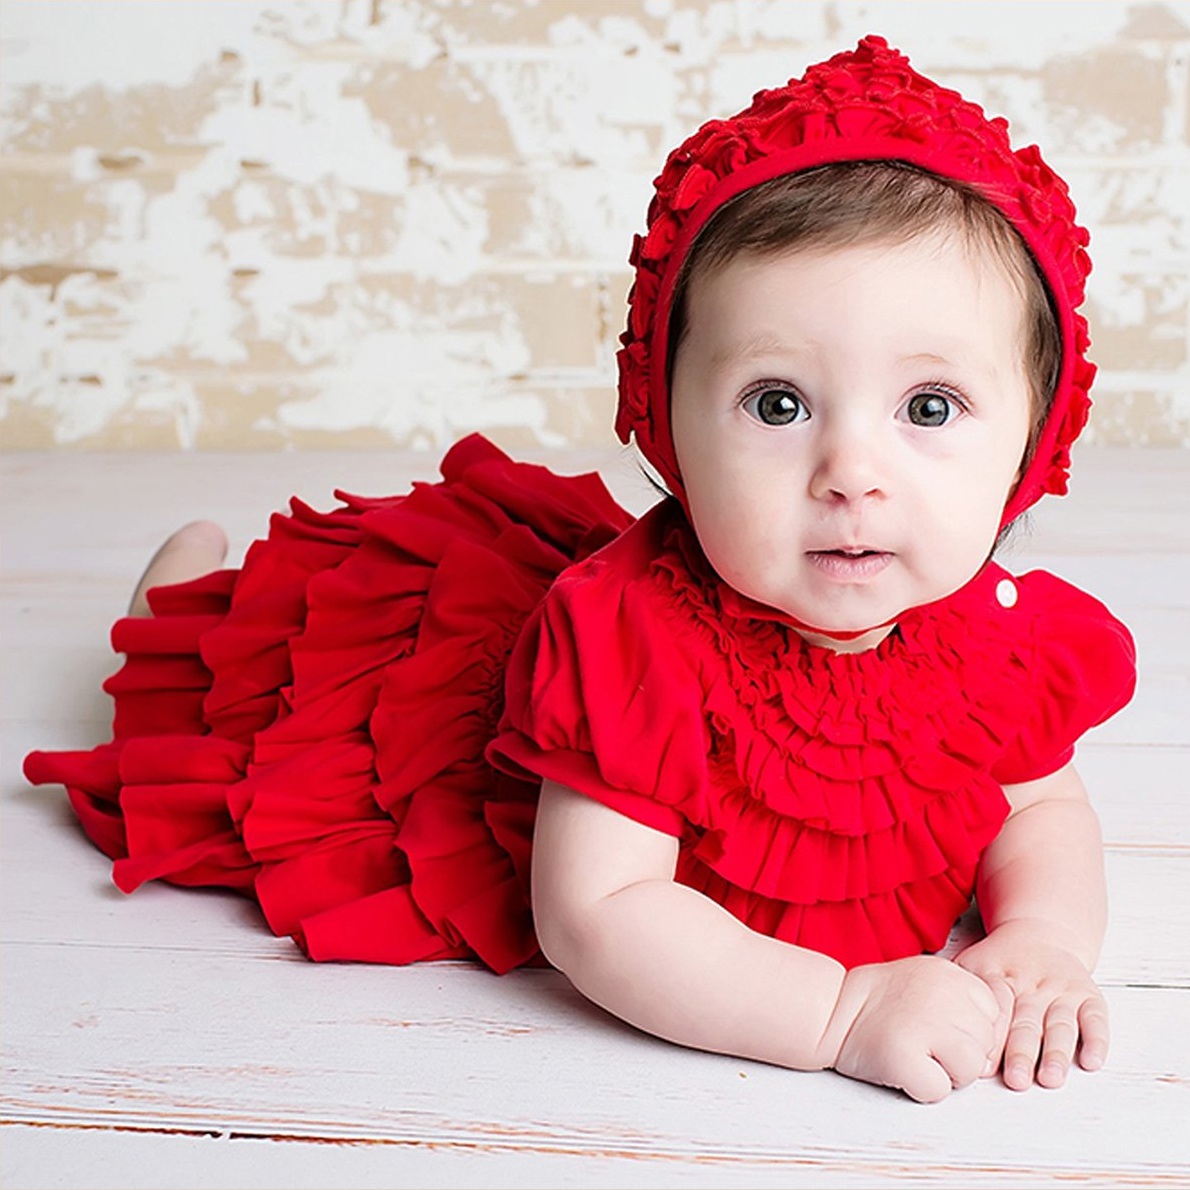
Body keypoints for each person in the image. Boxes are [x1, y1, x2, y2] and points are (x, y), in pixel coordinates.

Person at [23, 35, 1136, 1103]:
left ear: (1032, 442)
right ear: (665, 426)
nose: (850, 472)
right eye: (776, 403)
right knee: (257, 716)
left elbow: (1036, 805)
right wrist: (835, 1012)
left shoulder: (1000, 634)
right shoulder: (634, 641)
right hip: (437, 735)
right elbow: (600, 909)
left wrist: (1038, 936)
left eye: (927, 408)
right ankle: (173, 611)